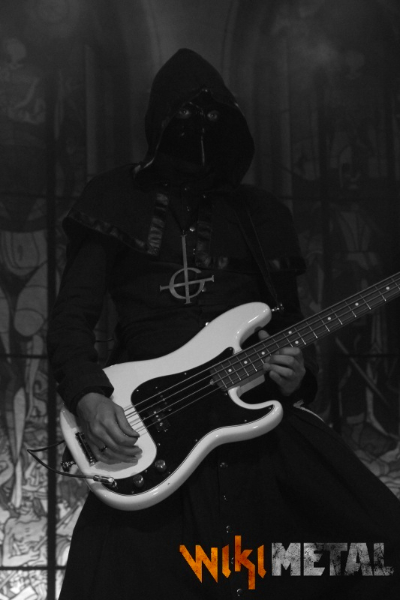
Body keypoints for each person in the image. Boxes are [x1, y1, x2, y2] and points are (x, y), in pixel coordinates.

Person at [48, 49, 400, 599]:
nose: (198, 133)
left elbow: (289, 325)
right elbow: (71, 316)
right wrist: (88, 396)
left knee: (372, 554)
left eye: (215, 121)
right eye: (183, 119)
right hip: (152, 427)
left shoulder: (262, 214)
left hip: (253, 423)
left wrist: (295, 373)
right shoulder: (115, 195)